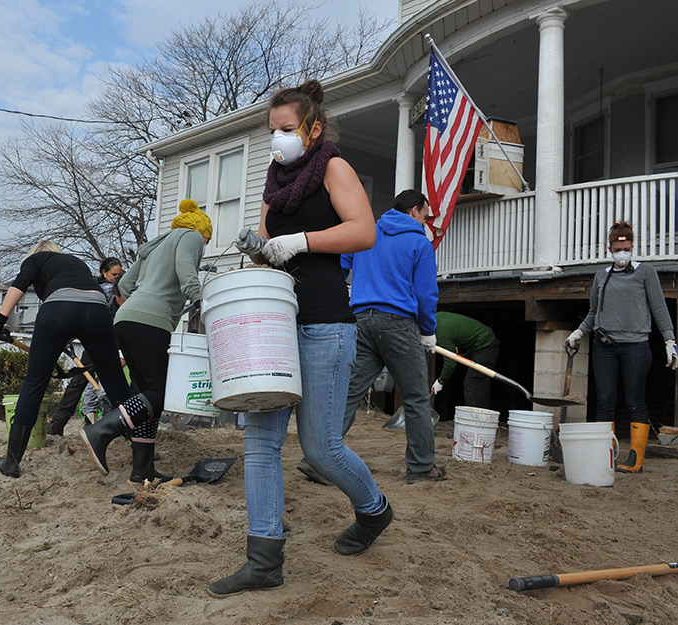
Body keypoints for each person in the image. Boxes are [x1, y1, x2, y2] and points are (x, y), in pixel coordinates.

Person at [208, 80, 389, 598]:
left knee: (321, 447)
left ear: (312, 127)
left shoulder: (334, 167)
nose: (277, 140)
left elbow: (363, 231)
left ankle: (374, 511)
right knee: (260, 443)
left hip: (326, 322)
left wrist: (302, 239)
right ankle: (264, 559)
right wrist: (258, 248)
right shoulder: (272, 183)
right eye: (272, 131)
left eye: (286, 130)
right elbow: (268, 252)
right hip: (274, 322)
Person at [80, 199, 211, 486]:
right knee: (159, 393)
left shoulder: (154, 245)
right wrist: (198, 298)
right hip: (152, 322)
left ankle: (143, 470)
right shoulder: (191, 236)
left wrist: (145, 297)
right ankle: (100, 431)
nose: (205, 247)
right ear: (203, 232)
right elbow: (184, 266)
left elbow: (124, 285)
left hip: (126, 319)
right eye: (207, 242)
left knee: (147, 397)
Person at [0, 242, 135, 478]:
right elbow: (80, 308)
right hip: (97, 311)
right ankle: (141, 447)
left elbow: (18, 287)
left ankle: (11, 463)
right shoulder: (76, 263)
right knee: (115, 380)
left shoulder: (34, 260)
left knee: (34, 383)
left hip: (58, 310)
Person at [340, 189, 443, 485]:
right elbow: (426, 293)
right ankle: (422, 468)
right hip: (398, 323)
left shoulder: (367, 232)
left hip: (361, 319)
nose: (426, 221)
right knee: (416, 398)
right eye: (425, 215)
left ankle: (319, 459)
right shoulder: (419, 243)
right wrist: (428, 331)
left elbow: (341, 265)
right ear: (413, 211)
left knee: (349, 394)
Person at [564, 220, 678, 474]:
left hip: (636, 347)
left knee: (635, 400)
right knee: (605, 401)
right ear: (610, 249)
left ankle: (634, 460)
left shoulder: (645, 273)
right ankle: (605, 456)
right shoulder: (602, 276)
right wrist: (579, 331)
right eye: (617, 247)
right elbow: (595, 311)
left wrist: (669, 340)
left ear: (632, 246)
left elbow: (659, 308)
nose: (621, 252)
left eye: (625, 247)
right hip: (605, 347)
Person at [46, 257, 124, 437]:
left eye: (119, 275)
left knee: (82, 381)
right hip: (100, 339)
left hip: (104, 339)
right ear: (104, 273)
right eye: (114, 274)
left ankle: (59, 423)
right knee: (84, 381)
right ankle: (59, 423)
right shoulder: (107, 290)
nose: (116, 278)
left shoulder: (113, 288)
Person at [432, 311, 500, 410]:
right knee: (479, 382)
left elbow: (450, 363)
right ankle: (481, 414)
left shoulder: (441, 335)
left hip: (486, 344)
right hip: (477, 344)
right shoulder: (437, 316)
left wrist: (440, 381)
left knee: (473, 381)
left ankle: (473, 417)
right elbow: (457, 332)